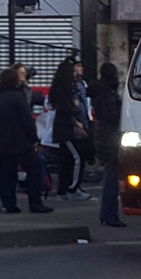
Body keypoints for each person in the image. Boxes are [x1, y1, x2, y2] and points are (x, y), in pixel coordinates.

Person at [0, 68, 53, 213]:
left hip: (2, 144)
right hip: (21, 142)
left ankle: (9, 204)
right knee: (34, 169)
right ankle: (35, 202)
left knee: (7, 174)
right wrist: (34, 139)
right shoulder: (18, 96)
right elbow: (26, 120)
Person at [88, 62, 126, 227]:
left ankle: (110, 214)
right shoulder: (106, 93)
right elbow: (112, 115)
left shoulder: (100, 91)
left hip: (104, 137)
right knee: (112, 178)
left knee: (111, 177)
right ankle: (109, 214)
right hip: (110, 138)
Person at [50, 58, 91, 201]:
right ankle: (72, 188)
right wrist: (74, 107)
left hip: (66, 127)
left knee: (66, 160)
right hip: (66, 128)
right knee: (77, 157)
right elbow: (68, 109)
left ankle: (62, 191)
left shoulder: (63, 88)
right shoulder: (63, 90)